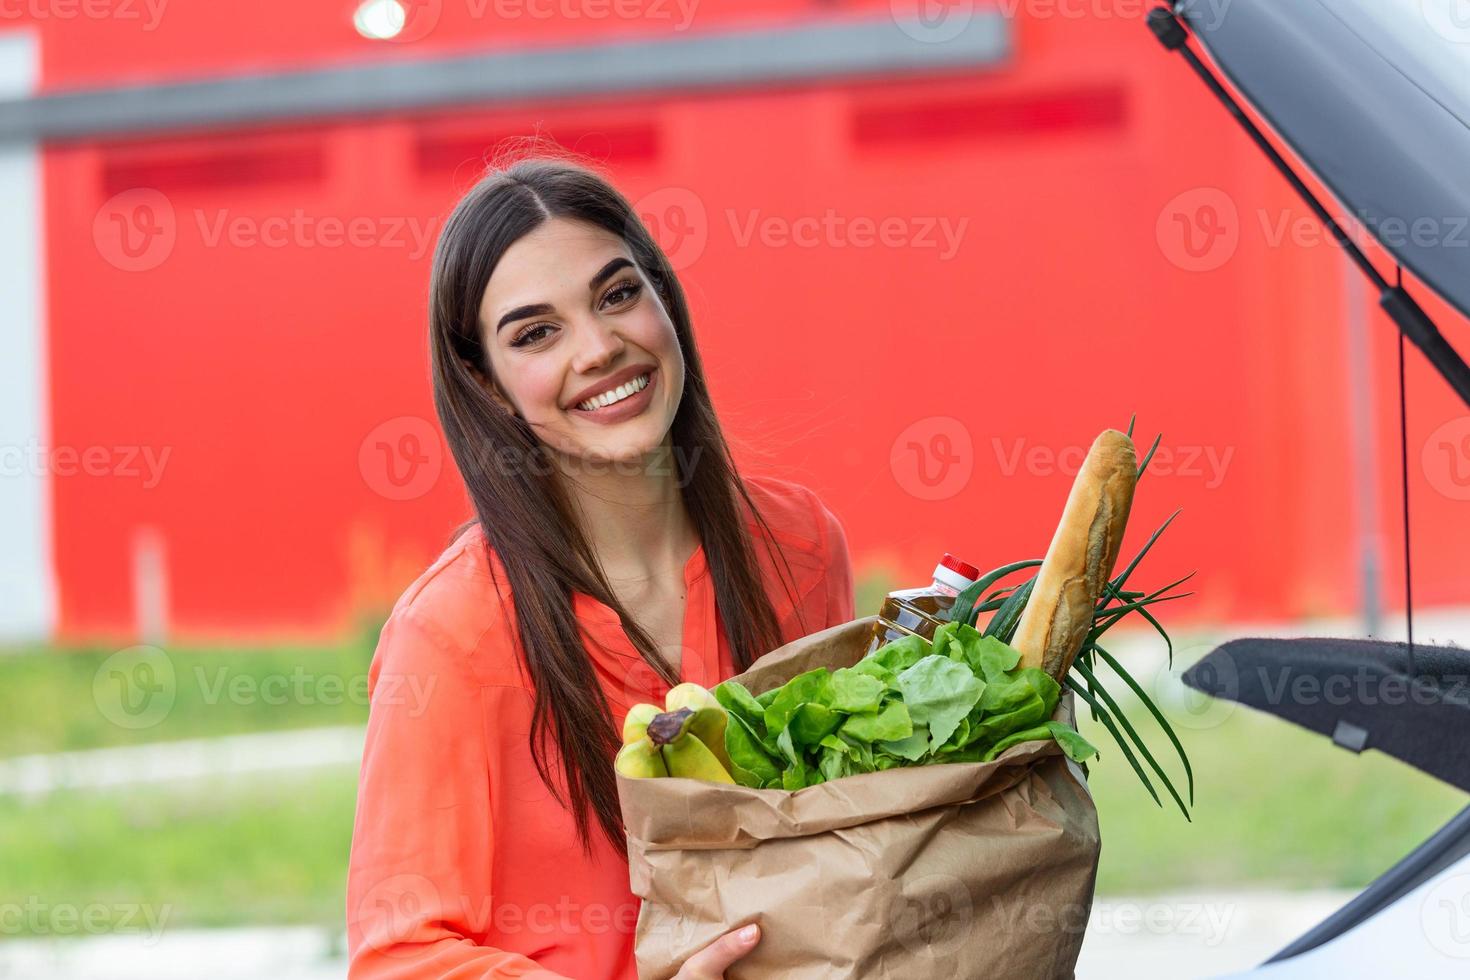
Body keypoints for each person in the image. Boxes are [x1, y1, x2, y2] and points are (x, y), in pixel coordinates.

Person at [345, 146, 855, 979]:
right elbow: (401, 959)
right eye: (537, 333)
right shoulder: (452, 634)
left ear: (664, 298)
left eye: (618, 294)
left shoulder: (798, 546)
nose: (600, 348)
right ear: (487, 383)